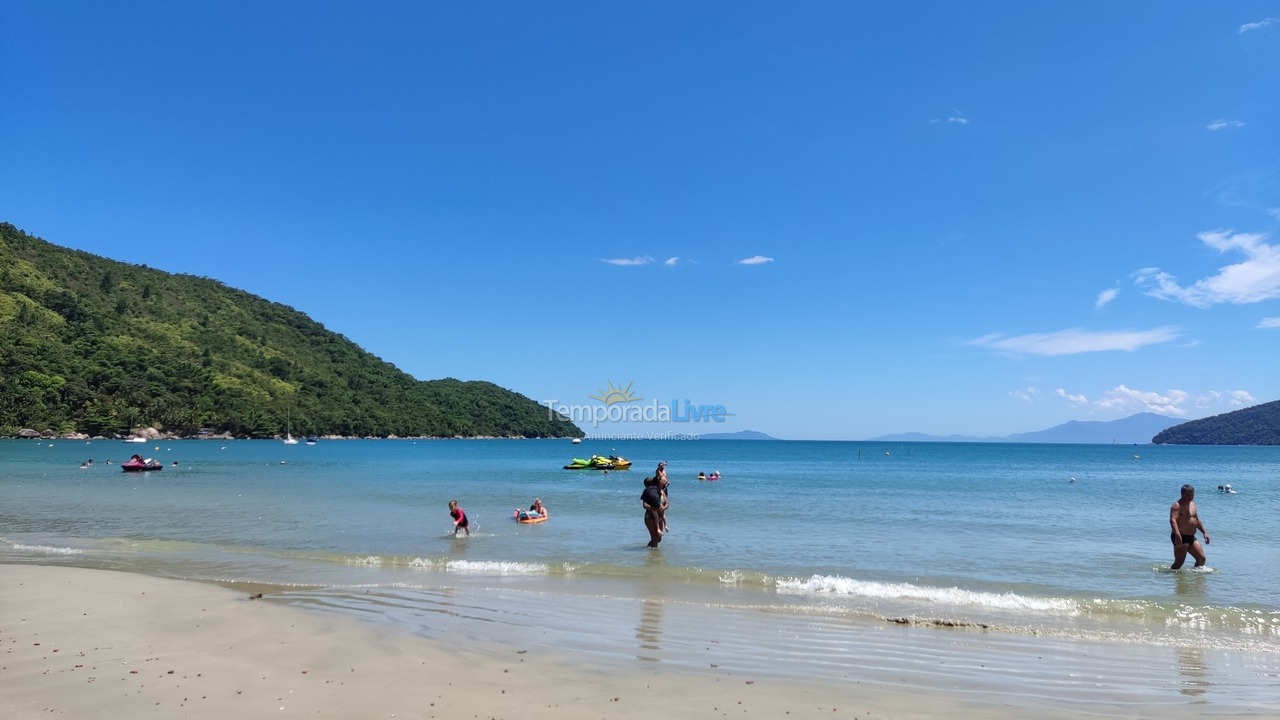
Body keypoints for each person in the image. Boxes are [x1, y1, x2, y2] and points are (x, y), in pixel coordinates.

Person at [1169, 484, 1209, 569]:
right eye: (1187, 495)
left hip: (1191, 536)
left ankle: (1194, 580)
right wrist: (1177, 534)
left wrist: (1204, 532)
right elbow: (1173, 520)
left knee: (1201, 559)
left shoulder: (1193, 505)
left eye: (1192, 495)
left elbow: (1196, 519)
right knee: (1179, 562)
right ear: (1182, 494)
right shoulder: (1177, 506)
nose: (1190, 497)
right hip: (1180, 536)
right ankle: (1172, 578)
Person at [641, 477, 666, 548]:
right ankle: (654, 556)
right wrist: (654, 509)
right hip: (649, 516)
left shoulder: (661, 491)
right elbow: (645, 505)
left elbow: (667, 504)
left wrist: (662, 508)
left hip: (659, 515)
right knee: (655, 538)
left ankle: (648, 548)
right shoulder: (650, 491)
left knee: (659, 538)